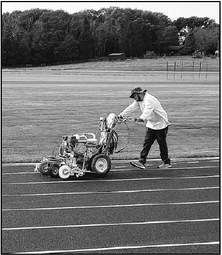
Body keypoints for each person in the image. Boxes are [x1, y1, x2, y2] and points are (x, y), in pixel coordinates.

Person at [118, 87, 171, 169]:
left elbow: (147, 111)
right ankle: (141, 161)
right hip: (151, 123)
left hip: (161, 124)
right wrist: (121, 115)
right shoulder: (139, 100)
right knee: (147, 143)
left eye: (134, 96)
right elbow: (131, 108)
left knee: (162, 144)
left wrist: (141, 118)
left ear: (139, 94)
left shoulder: (149, 100)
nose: (134, 99)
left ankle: (166, 162)